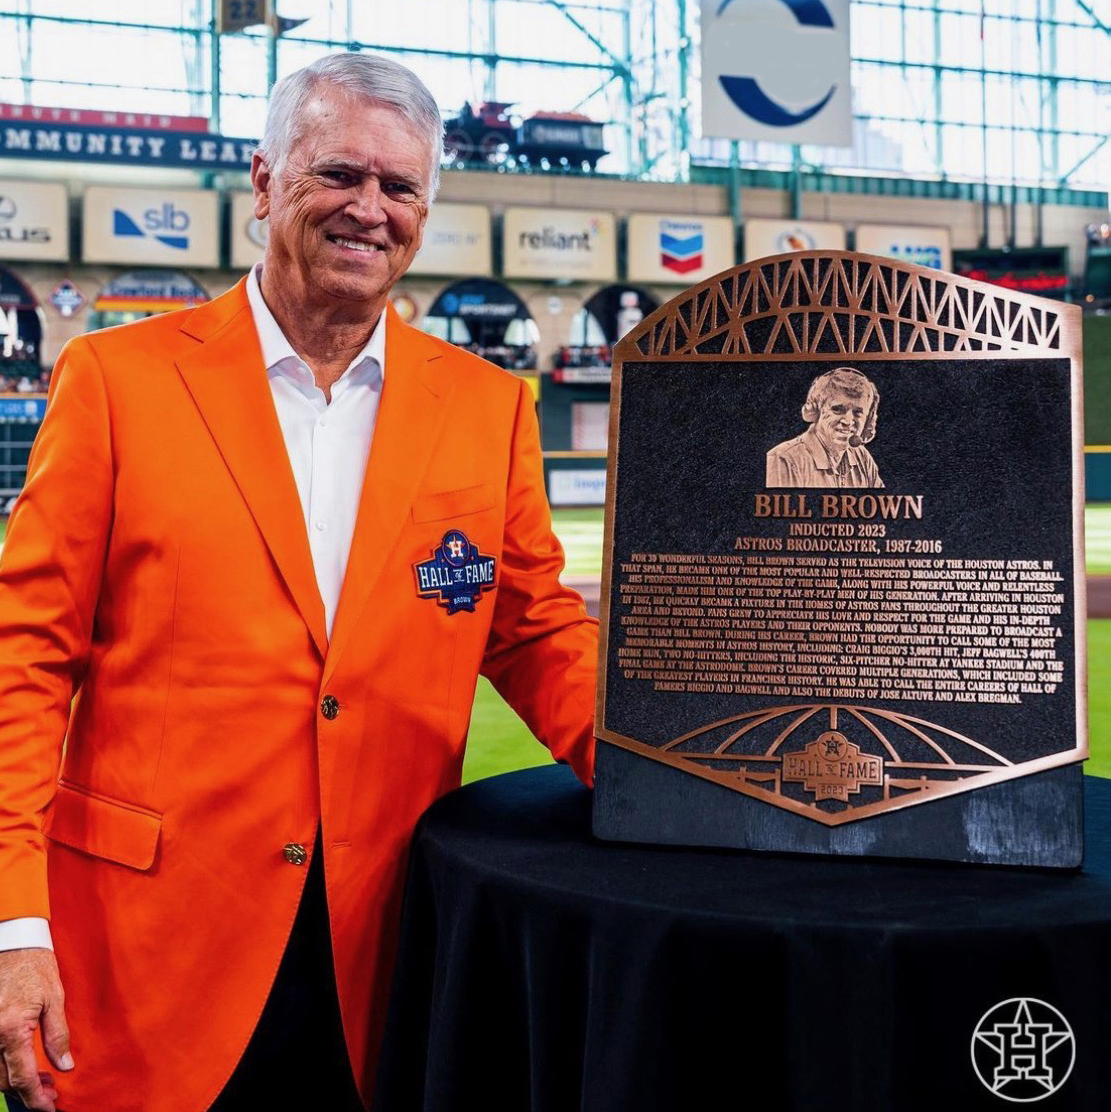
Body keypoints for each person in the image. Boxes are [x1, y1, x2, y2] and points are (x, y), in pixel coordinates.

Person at [0, 53, 597, 1112]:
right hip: (144, 956)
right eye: (339, 173)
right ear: (266, 181)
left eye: (399, 186)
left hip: (384, 956)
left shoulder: (486, 406)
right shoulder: (115, 382)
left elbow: (538, 634)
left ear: (423, 214)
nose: (370, 207)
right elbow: (23, 660)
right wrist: (13, 923)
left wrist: (680, 781)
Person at [765, 366, 884, 488]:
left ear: (868, 419)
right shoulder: (784, 459)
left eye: (857, 412)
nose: (848, 421)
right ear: (816, 411)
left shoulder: (862, 458)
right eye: (837, 409)